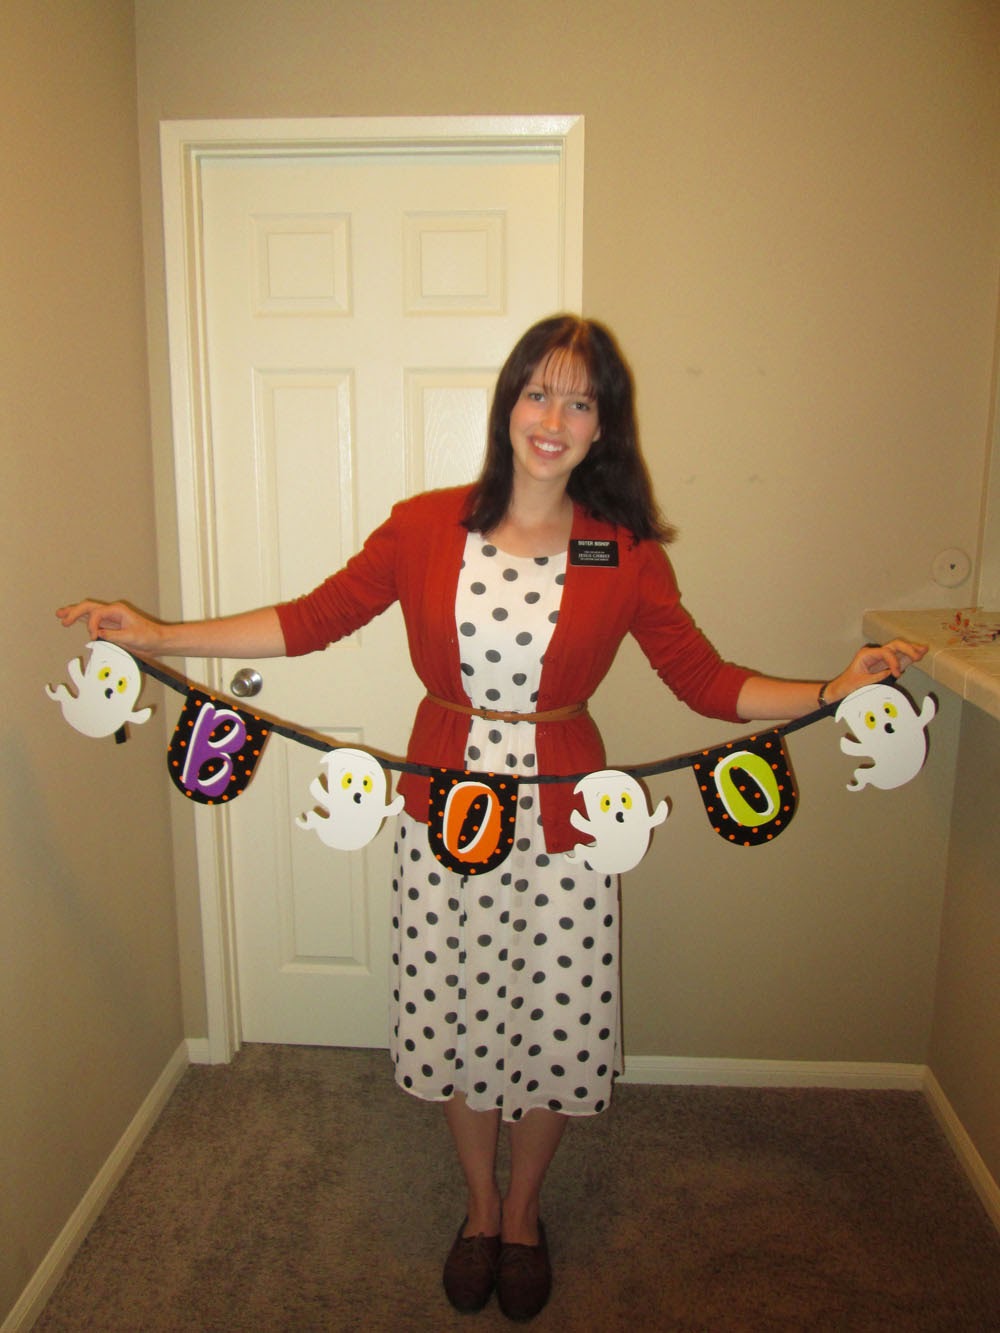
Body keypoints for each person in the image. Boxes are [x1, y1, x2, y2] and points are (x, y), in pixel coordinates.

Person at [57, 314, 926, 1322]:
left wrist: (831, 688)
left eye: (580, 401)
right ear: (508, 403)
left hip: (565, 825)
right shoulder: (424, 526)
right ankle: (477, 1208)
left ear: (603, 426)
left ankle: (522, 1214)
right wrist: (161, 634)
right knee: (461, 1012)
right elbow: (312, 619)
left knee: (557, 1017)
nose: (553, 418)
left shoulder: (624, 551)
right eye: (537, 392)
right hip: (447, 818)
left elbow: (704, 680)